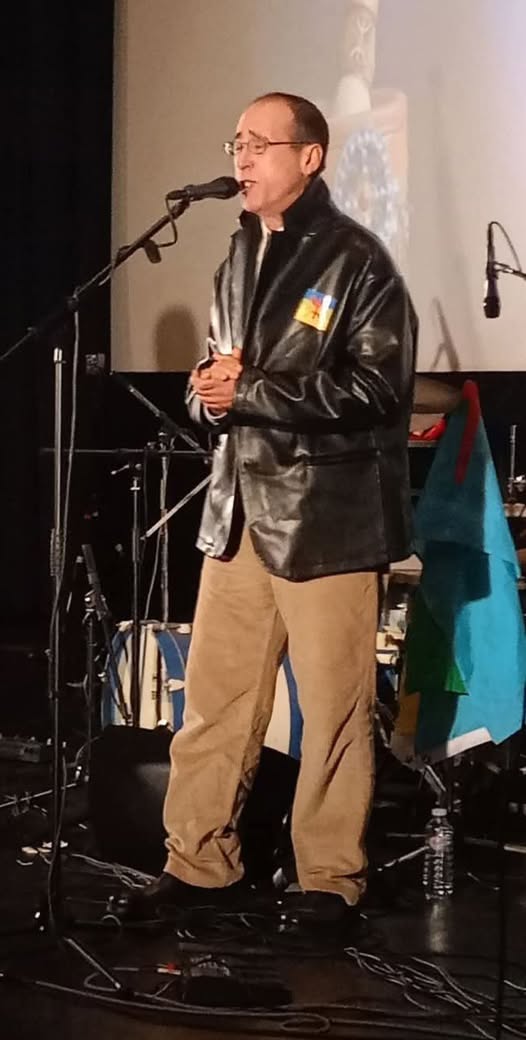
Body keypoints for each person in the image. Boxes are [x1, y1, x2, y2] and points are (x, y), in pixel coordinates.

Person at [117, 91, 417, 927]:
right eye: (236, 143)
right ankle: (198, 863)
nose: (242, 158)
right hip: (239, 510)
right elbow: (218, 377)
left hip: (326, 518)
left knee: (335, 712)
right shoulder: (239, 253)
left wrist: (249, 389)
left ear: (309, 158)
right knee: (214, 702)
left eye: (259, 143)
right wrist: (208, 393)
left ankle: (329, 880)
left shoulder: (357, 261)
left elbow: (377, 389)